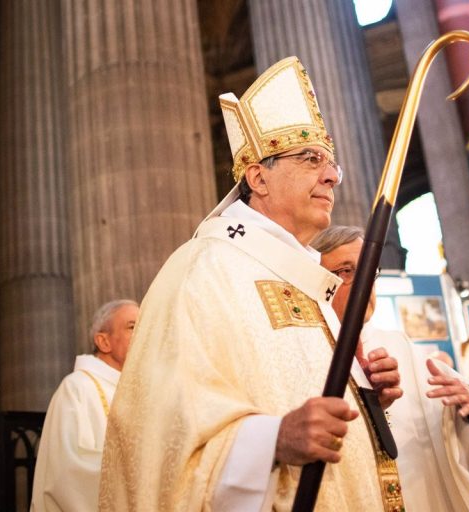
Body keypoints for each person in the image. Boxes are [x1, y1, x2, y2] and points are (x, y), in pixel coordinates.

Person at [98, 57, 405, 511]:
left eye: (332, 166)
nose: (330, 176)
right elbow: (162, 429)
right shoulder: (203, 270)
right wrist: (273, 440)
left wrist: (365, 398)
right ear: (258, 177)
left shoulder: (300, 275)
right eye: (311, 159)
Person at [311, 225, 469, 511]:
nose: (364, 282)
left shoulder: (400, 346)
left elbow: (455, 420)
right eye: (346, 270)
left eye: (369, 270)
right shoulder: (302, 346)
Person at [31, 299, 139, 512]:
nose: (144, 333)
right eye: (132, 327)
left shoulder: (141, 392)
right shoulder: (77, 388)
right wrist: (142, 467)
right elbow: (66, 471)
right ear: (104, 342)